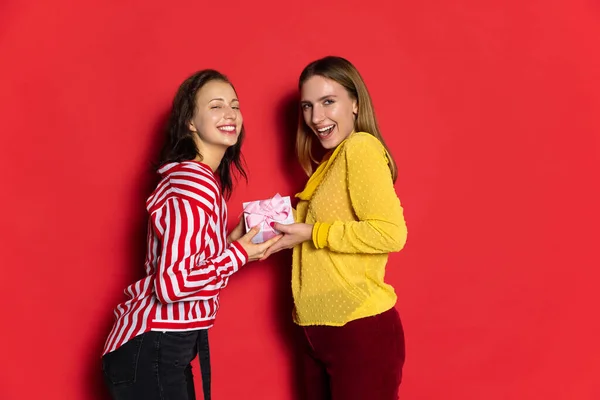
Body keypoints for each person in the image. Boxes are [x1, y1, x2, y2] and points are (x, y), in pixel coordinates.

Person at [101, 69, 281, 400]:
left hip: (163, 350)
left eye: (234, 105)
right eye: (216, 106)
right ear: (191, 122)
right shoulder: (193, 181)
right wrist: (239, 254)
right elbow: (171, 285)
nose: (230, 114)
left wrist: (230, 243)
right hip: (153, 346)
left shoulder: (196, 179)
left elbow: (187, 266)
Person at [262, 56, 408, 399]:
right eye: (308, 106)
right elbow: (315, 230)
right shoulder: (330, 163)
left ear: (355, 103)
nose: (316, 118)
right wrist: (265, 228)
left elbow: (390, 232)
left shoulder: (360, 148)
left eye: (329, 102)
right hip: (318, 332)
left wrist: (313, 233)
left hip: (357, 329)